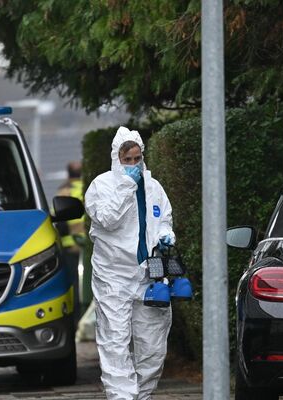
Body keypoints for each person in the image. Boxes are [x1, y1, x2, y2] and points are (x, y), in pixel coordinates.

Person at [84, 126, 176, 400]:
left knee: (152, 346)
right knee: (115, 343)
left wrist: (165, 235)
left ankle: (143, 395)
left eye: (137, 159)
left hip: (149, 276)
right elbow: (107, 219)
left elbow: (164, 218)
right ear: (117, 159)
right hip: (113, 277)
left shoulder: (153, 187)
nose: (134, 165)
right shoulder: (101, 186)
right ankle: (122, 397)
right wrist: (127, 186)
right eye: (127, 160)